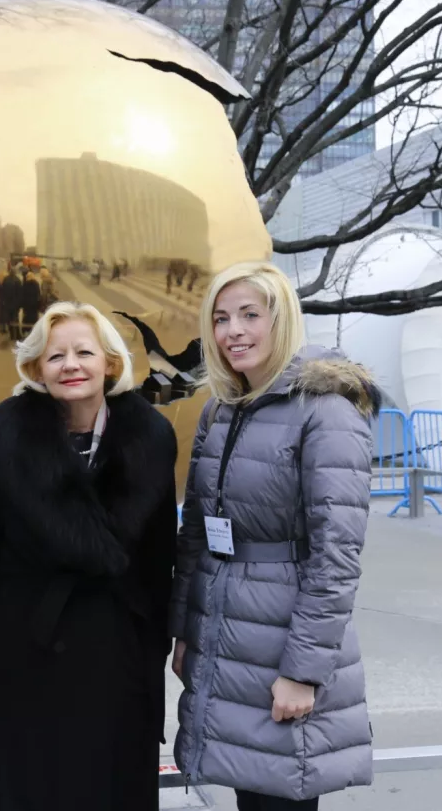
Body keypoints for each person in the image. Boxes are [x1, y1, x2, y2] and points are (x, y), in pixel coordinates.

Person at [0, 301, 178, 811]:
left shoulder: (151, 438)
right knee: (34, 790)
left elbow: (161, 556)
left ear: (110, 364)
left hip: (118, 651)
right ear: (36, 368)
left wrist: (155, 649)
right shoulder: (5, 435)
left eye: (83, 352)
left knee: (114, 789)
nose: (70, 365)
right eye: (55, 357)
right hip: (23, 648)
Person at [170, 262, 377, 810]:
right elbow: (195, 531)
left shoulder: (326, 410)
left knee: (280, 797)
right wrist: (184, 631)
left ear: (280, 320)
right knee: (249, 791)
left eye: (248, 315)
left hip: (283, 638)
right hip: (226, 632)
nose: (233, 330)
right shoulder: (221, 408)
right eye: (220, 318)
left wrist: (302, 673)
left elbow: (336, 555)